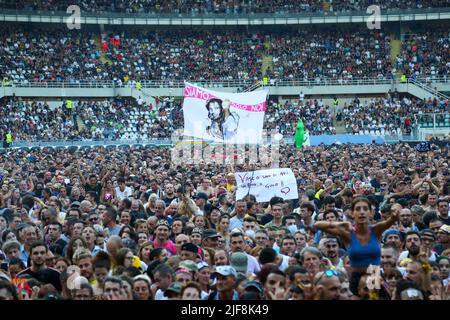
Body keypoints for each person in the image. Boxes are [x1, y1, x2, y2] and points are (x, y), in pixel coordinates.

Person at [314, 197, 399, 295]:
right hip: (356, 279)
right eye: (358, 209)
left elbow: (393, 218)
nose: (362, 212)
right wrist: (341, 223)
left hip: (374, 275)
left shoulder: (376, 230)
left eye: (365, 209)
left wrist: (395, 210)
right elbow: (317, 224)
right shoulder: (348, 234)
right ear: (352, 213)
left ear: (371, 213)